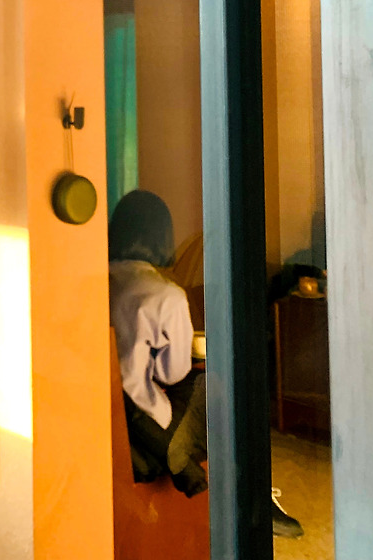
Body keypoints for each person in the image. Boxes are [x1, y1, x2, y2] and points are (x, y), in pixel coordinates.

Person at [108, 189, 303, 538]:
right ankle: (253, 495)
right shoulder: (165, 295)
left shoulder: (98, 282)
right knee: (225, 392)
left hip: (108, 423)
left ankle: (237, 489)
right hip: (147, 431)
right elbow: (173, 372)